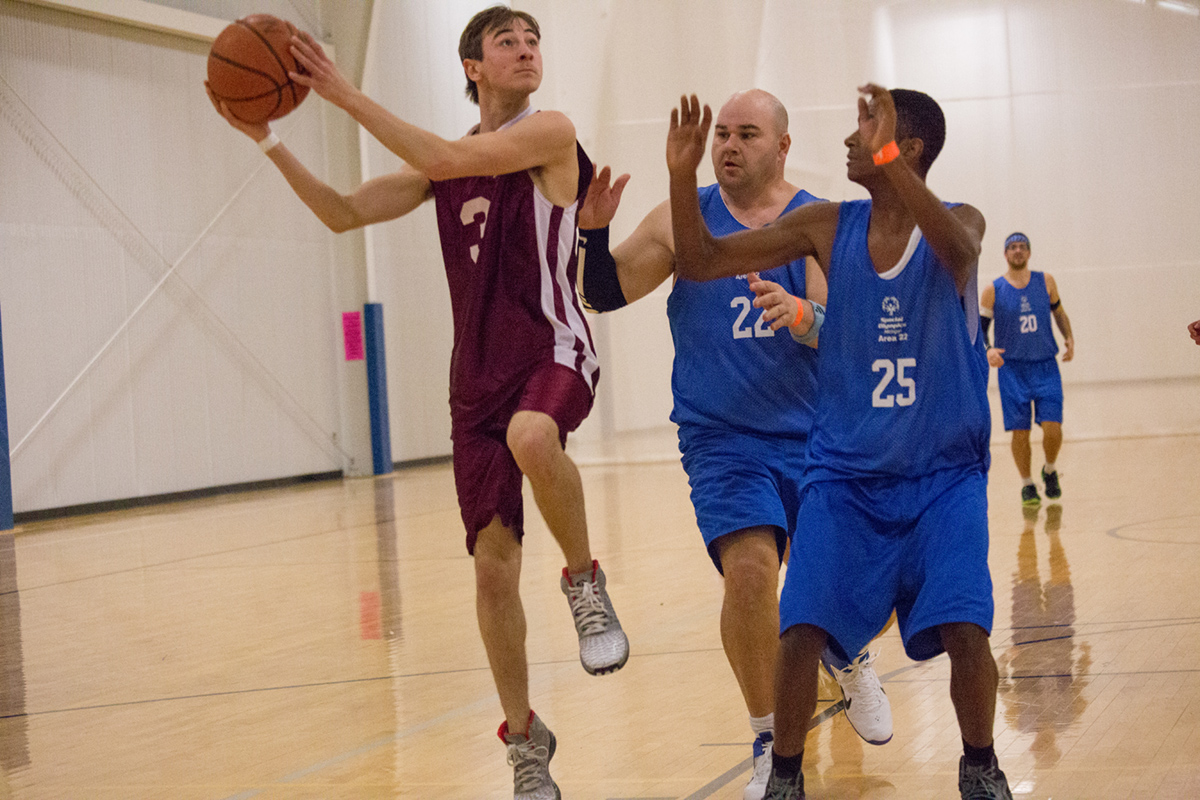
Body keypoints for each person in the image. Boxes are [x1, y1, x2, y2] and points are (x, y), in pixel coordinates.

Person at [207, 7, 628, 799]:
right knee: (492, 574)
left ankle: (584, 582)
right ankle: (524, 740)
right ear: (472, 66)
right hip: (474, 382)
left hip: (551, 348)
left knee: (534, 436)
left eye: (533, 39)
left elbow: (441, 155)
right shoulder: (446, 165)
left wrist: (340, 91)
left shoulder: (552, 133)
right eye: (507, 41)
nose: (526, 50)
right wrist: (265, 138)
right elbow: (341, 213)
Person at [665, 85, 1013, 799]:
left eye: (868, 128)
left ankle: (981, 766)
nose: (851, 140)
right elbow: (699, 259)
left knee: (965, 629)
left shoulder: (960, 222)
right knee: (801, 629)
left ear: (906, 147)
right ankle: (785, 776)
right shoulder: (827, 225)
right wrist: (679, 175)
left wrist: (890, 164)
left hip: (943, 477)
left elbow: (959, 250)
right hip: (846, 476)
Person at [576, 89, 892, 800]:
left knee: (863, 582)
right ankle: (768, 740)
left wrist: (804, 315)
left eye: (747, 134)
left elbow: (850, 331)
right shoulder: (680, 218)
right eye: (722, 133)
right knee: (750, 573)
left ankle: (848, 654)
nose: (728, 145)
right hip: (721, 437)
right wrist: (592, 233)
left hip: (818, 435)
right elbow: (602, 292)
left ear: (782, 146)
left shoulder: (816, 220)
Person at [979, 233, 1074, 506]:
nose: (1018, 251)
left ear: (1029, 253)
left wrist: (1068, 336)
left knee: (1053, 426)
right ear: (1005, 254)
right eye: (1012, 247)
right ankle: (1027, 484)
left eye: (1022, 247)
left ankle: (1050, 470)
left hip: (1045, 365)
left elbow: (1059, 312)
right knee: (1020, 431)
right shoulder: (993, 289)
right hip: (1013, 370)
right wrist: (988, 349)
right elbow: (980, 329)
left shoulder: (1046, 281)